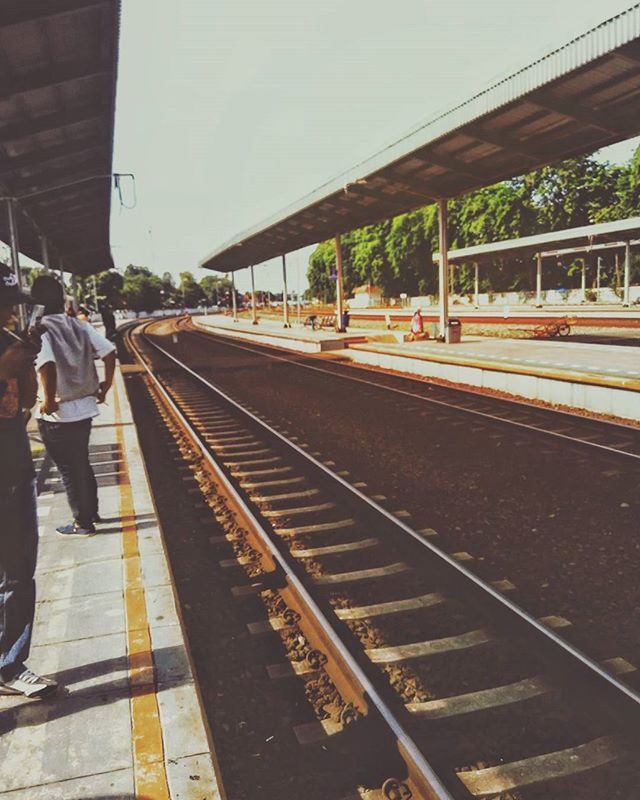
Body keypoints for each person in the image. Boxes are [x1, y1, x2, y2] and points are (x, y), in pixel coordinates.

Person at [0, 264, 58, 698]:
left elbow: (23, 407)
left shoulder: (10, 343)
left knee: (18, 567)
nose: (7, 314)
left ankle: (9, 663)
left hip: (13, 465)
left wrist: (23, 371)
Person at [31, 275, 116, 536]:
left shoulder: (38, 329)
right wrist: (105, 386)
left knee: (68, 468)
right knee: (81, 462)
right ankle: (93, 512)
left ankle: (82, 522)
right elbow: (110, 351)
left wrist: (46, 399)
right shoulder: (79, 326)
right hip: (86, 406)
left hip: (59, 412)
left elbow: (46, 365)